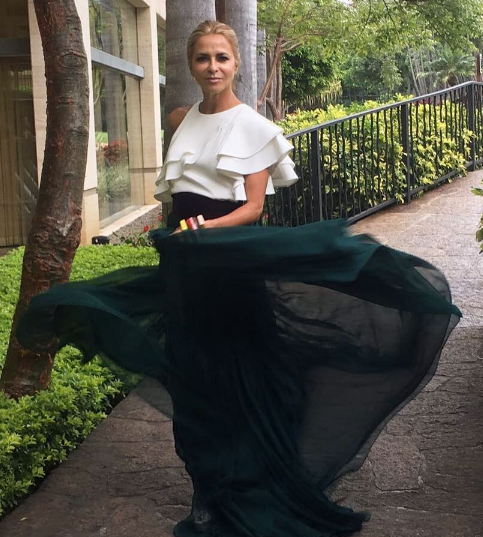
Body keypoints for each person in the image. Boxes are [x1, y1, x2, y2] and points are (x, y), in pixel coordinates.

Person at [18, 20, 460, 537]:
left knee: (239, 376)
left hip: (226, 266)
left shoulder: (254, 128)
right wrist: (182, 238)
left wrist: (201, 232)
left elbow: (251, 209)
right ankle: (209, 491)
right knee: (195, 379)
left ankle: (251, 489)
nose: (212, 67)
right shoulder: (180, 119)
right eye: (203, 58)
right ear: (191, 64)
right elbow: (180, 196)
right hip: (184, 267)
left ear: (236, 64)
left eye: (221, 58)